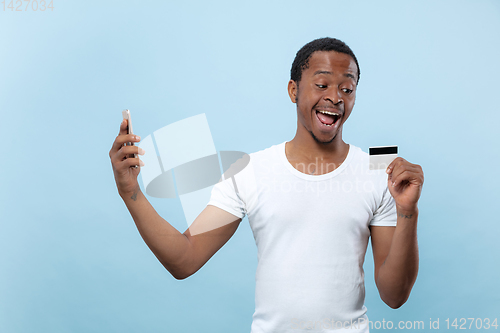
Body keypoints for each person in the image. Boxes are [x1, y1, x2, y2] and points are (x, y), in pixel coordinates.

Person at [109, 37, 424, 332]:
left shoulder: (377, 171)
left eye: (347, 88)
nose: (335, 97)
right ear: (293, 90)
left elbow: (394, 296)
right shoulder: (250, 170)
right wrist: (131, 192)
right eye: (322, 84)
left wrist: (408, 211)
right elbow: (184, 258)